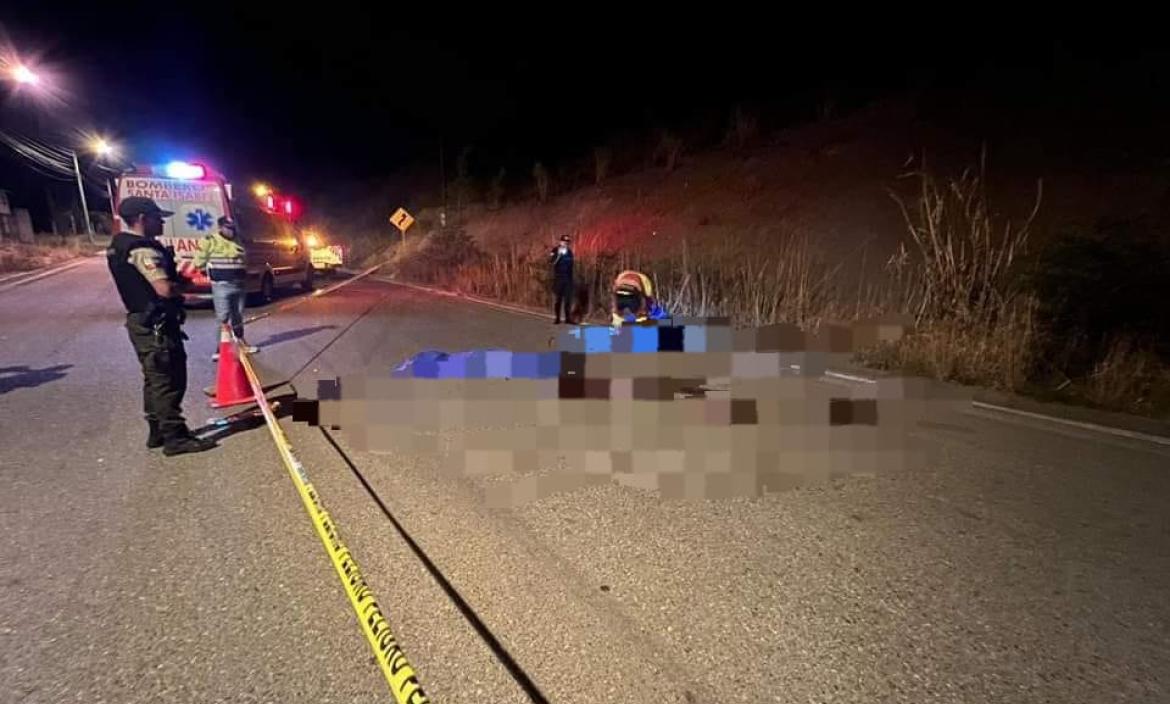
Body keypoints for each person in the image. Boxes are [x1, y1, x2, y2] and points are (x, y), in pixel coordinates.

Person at [106, 197, 216, 456]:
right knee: (169, 379)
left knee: (155, 379)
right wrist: (185, 286)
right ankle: (175, 438)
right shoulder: (143, 250)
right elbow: (164, 289)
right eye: (158, 217)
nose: (163, 222)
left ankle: (158, 431)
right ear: (143, 218)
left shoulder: (120, 245)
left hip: (143, 320)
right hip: (155, 324)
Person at [193, 216, 258, 361]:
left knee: (238, 316)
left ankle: (241, 343)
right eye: (228, 228)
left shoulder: (239, 240)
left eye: (233, 228)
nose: (231, 231)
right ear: (220, 227)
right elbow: (199, 261)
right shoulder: (210, 241)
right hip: (221, 285)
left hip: (239, 284)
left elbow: (245, 260)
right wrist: (208, 273)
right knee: (223, 318)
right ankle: (220, 349)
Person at [549, 234, 574, 324]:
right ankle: (557, 318)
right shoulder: (555, 250)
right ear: (561, 241)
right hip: (558, 278)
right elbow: (551, 262)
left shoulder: (570, 252)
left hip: (567, 279)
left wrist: (571, 280)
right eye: (564, 241)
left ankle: (568, 318)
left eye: (567, 242)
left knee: (568, 299)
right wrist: (558, 255)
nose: (566, 243)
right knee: (558, 299)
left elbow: (571, 265)